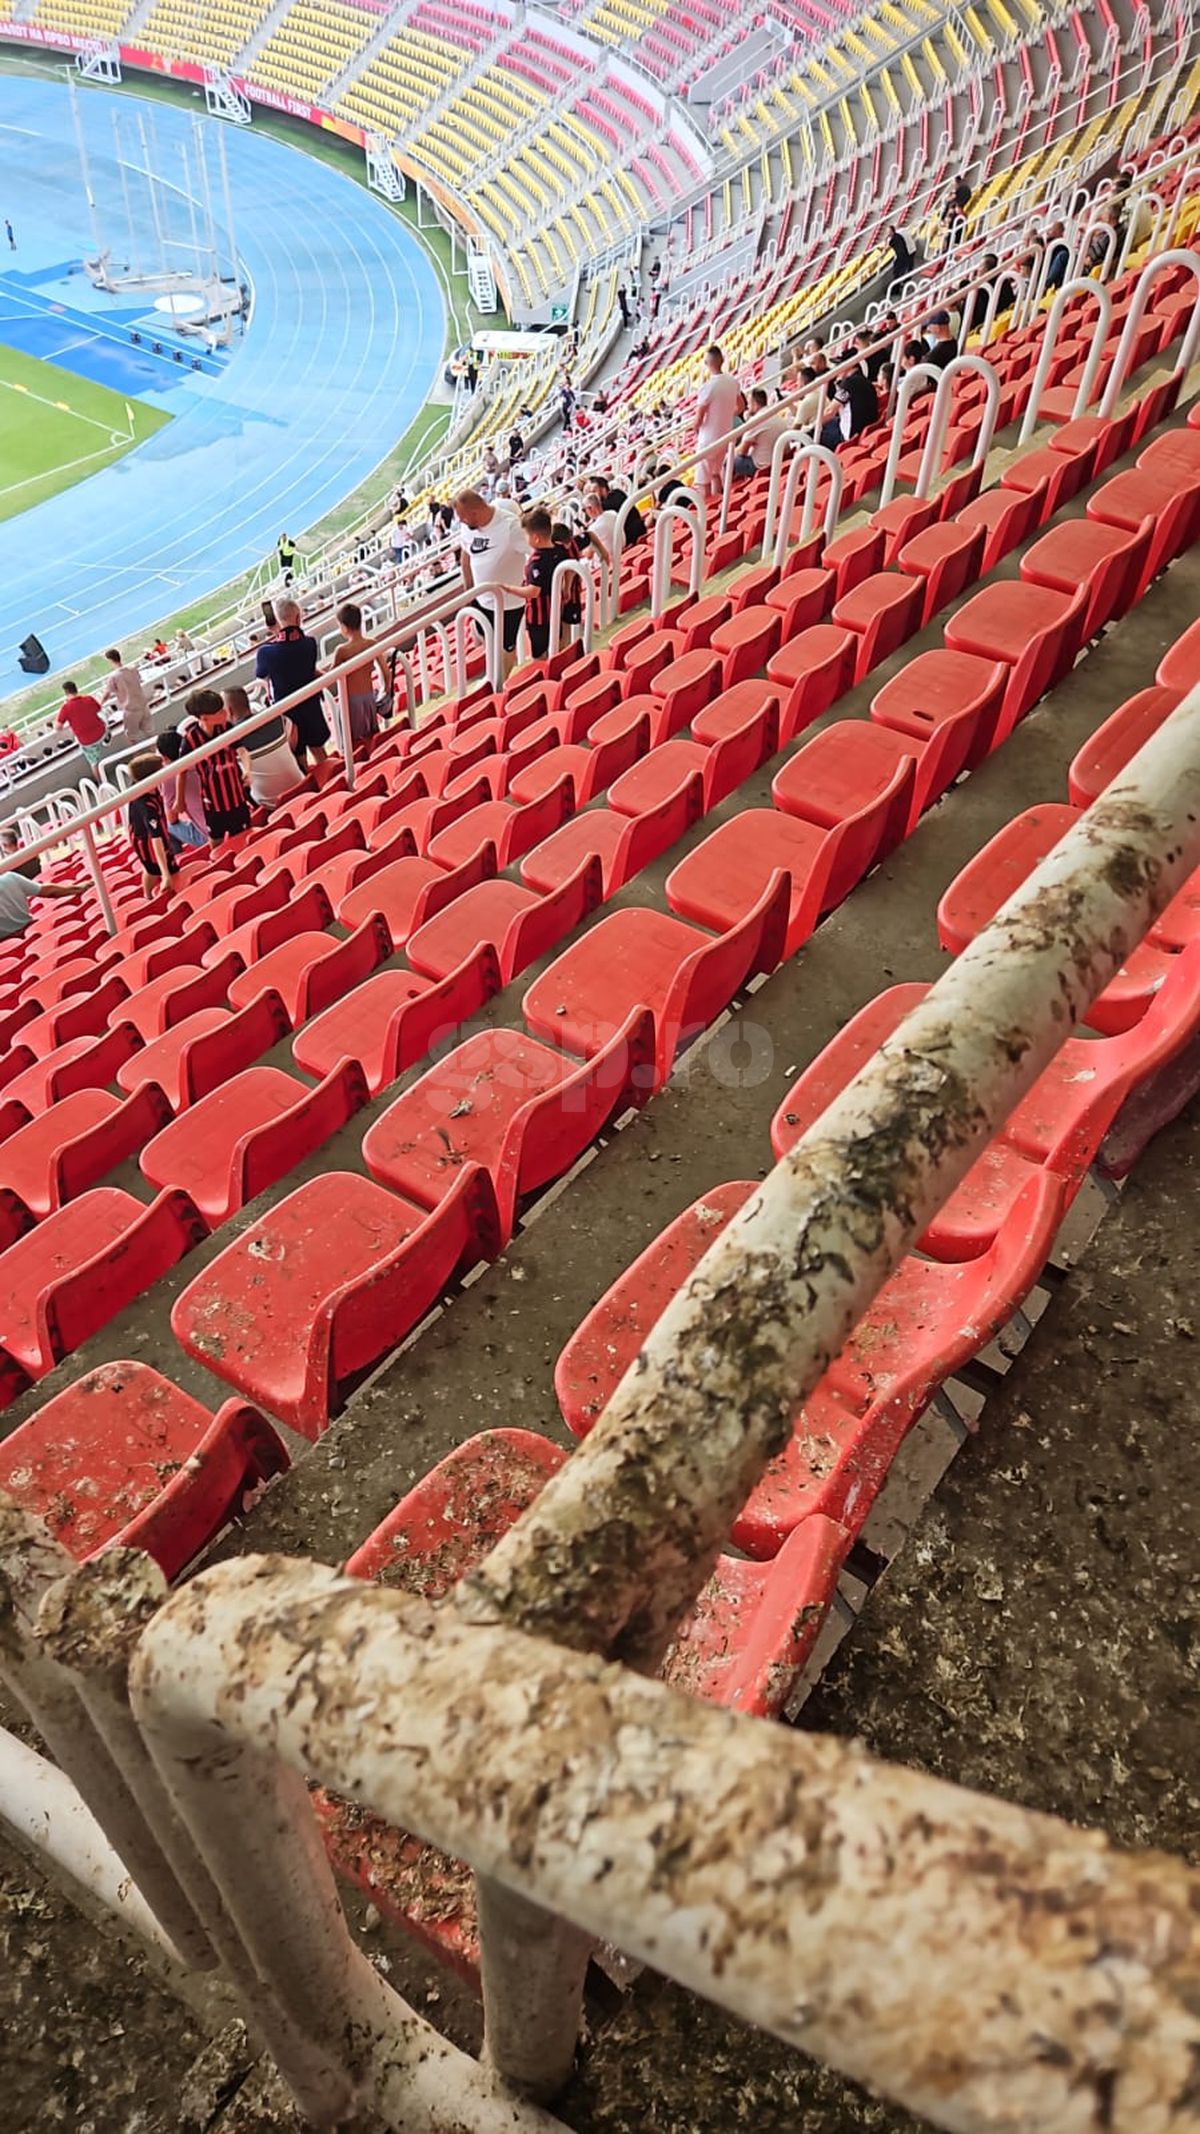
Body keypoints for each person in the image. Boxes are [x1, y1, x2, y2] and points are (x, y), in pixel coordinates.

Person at [455, 488, 528, 680]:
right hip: (481, 598)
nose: (461, 521)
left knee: (506, 649)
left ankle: (499, 686)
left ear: (475, 512)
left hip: (509, 602)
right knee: (484, 635)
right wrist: (468, 591)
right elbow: (466, 555)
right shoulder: (467, 528)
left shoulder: (510, 527)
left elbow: (537, 548)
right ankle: (492, 676)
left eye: (463, 517)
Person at [254, 596, 329, 767]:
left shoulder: (265, 653)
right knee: (320, 752)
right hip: (311, 707)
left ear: (278, 621)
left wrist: (276, 635)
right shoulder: (309, 644)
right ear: (298, 618)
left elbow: (262, 674)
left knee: (300, 760)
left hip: (288, 714)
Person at [178, 689, 252, 844]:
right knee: (216, 841)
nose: (225, 713)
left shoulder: (226, 727)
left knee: (245, 836)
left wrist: (248, 770)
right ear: (205, 718)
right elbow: (181, 770)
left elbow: (242, 750)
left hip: (236, 796)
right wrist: (179, 800)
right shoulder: (190, 740)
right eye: (219, 712)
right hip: (213, 802)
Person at [224, 685, 301, 809]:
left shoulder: (231, 741)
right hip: (302, 786)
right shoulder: (275, 717)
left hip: (270, 804)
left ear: (229, 711)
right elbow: (294, 732)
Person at [323, 603, 387, 748]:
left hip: (350, 703)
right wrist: (385, 691)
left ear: (344, 627)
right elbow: (385, 671)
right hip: (369, 698)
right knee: (372, 738)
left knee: (353, 743)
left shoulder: (342, 651)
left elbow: (330, 677)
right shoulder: (372, 643)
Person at [0, 829, 84, 936]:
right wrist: (81, 888)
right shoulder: (13, 875)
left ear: (4, 845)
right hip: (32, 933)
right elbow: (50, 891)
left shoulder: (10, 873)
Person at [516, 510, 569, 662]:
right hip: (556, 610)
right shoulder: (560, 549)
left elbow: (533, 591)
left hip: (538, 618)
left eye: (526, 535)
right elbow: (569, 569)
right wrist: (567, 588)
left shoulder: (536, 562)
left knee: (539, 657)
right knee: (556, 645)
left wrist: (507, 589)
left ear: (536, 538)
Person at [693, 344, 745, 492]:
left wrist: (696, 429)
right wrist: (725, 415)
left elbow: (698, 420)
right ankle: (719, 506)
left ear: (707, 364)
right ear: (722, 360)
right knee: (716, 474)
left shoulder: (707, 387)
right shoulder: (733, 382)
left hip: (708, 439)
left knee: (704, 482)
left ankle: (708, 512)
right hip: (725, 435)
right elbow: (740, 407)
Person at [126, 754, 178, 896]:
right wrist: (165, 873)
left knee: (150, 869)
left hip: (155, 835)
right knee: (153, 869)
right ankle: (149, 896)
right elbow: (156, 840)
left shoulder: (147, 788)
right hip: (145, 842)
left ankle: (147, 895)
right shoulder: (146, 806)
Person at [157, 728, 208, 848]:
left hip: (209, 834)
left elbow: (172, 819)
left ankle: (179, 860)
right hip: (233, 818)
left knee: (166, 826)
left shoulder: (168, 777)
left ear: (164, 757)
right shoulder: (202, 758)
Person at [99, 648, 153, 744]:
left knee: (131, 737)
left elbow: (107, 693)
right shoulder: (132, 669)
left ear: (110, 661)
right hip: (143, 705)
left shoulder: (113, 677)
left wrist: (99, 704)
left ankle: (137, 756)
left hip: (131, 710)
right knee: (149, 732)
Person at [733, 387, 787, 476]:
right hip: (778, 463)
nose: (747, 406)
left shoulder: (756, 420)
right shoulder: (775, 416)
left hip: (762, 466)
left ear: (755, 404)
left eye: (749, 403)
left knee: (730, 460)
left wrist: (728, 454)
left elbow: (742, 451)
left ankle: (724, 488)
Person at [56, 680, 107, 771]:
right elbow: (98, 709)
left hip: (87, 741)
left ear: (66, 693)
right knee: (104, 720)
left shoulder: (66, 708)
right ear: (76, 689)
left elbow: (58, 727)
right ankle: (107, 739)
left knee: (94, 764)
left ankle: (100, 782)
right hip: (102, 732)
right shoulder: (88, 699)